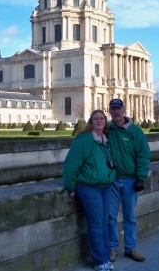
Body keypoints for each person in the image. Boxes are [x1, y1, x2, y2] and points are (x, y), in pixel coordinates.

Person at [63, 110, 116, 271]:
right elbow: (71, 165)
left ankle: (106, 257)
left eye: (102, 118)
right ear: (91, 122)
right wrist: (71, 187)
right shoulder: (84, 140)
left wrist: (111, 176)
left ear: (105, 121)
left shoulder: (105, 140)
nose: (99, 121)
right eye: (96, 119)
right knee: (96, 224)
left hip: (105, 186)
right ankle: (100, 261)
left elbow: (110, 163)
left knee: (105, 222)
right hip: (88, 187)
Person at [107, 98, 150, 263]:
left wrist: (140, 177)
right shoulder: (108, 130)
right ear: (110, 111)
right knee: (111, 216)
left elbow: (143, 155)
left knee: (129, 216)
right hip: (112, 180)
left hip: (130, 180)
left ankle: (131, 248)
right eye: (113, 109)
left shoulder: (135, 131)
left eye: (118, 108)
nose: (116, 112)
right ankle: (113, 248)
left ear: (123, 110)